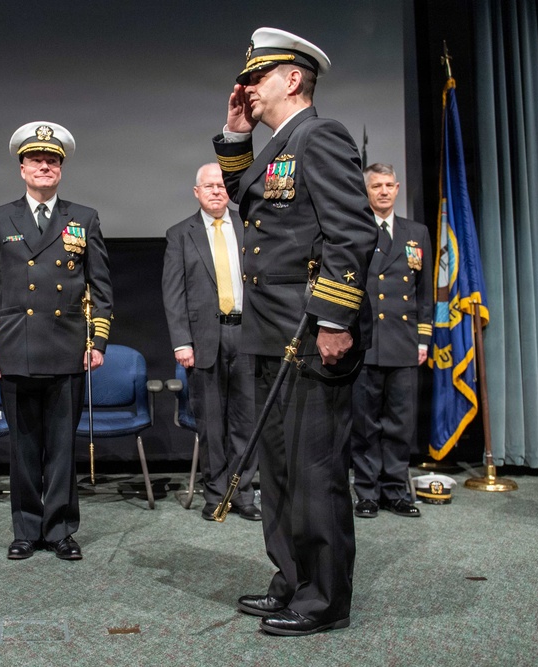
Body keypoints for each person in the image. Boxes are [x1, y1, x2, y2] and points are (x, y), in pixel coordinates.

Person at [213, 27, 377, 636]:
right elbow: (248, 197)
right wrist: (236, 135)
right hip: (271, 330)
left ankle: (324, 599)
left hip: (309, 331)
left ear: (292, 79)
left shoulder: (320, 136)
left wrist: (335, 320)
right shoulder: (280, 142)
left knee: (314, 471)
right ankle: (291, 580)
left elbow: (352, 233)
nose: (247, 87)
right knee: (279, 471)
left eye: (256, 77)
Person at [0, 122, 113, 562]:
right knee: (23, 447)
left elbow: (102, 287)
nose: (45, 166)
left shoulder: (83, 218)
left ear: (61, 169)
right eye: (36, 160)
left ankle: (60, 530)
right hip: (15, 347)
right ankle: (25, 529)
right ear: (22, 169)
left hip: (67, 347)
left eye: (52, 161)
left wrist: (99, 340)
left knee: (61, 448)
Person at [162, 164, 260, 522]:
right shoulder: (180, 234)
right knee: (212, 423)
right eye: (209, 186)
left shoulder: (250, 226)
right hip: (204, 340)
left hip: (248, 335)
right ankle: (216, 493)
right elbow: (173, 294)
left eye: (222, 185)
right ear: (197, 192)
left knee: (246, 421)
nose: (217, 191)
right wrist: (181, 342)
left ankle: (244, 494)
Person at [351, 163, 433, 519]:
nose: (383, 192)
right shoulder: (353, 231)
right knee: (365, 424)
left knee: (400, 423)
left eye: (389, 185)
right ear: (366, 190)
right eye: (376, 186)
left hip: (402, 341)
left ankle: (396, 491)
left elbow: (424, 293)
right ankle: (367, 492)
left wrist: (423, 338)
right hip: (365, 343)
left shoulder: (417, 233)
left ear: (398, 188)